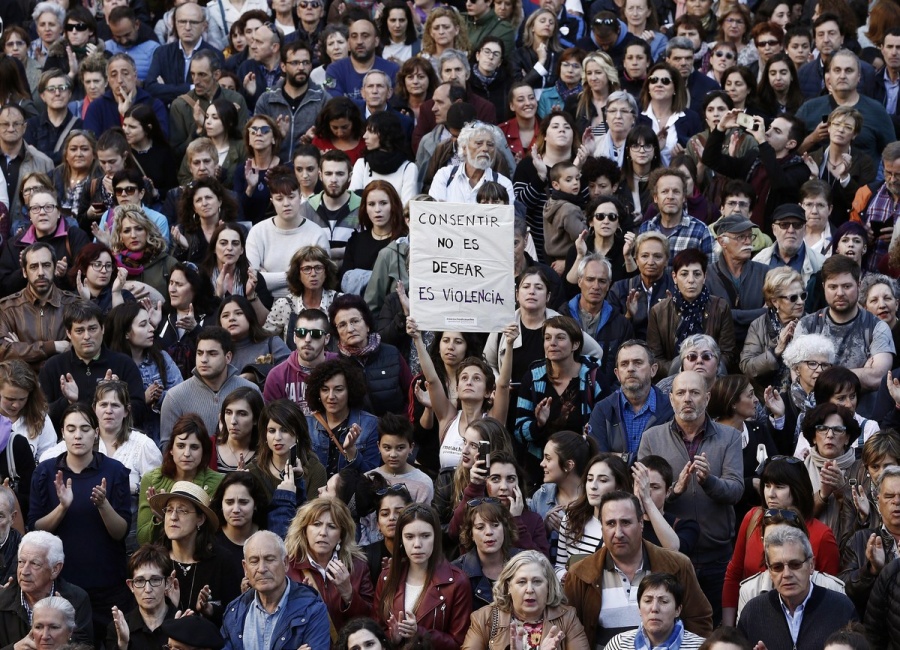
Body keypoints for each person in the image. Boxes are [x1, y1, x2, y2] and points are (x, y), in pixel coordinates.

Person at [637, 370, 743, 624]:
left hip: (716, 554)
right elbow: (642, 495)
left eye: (694, 393)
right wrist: (675, 491)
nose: (687, 399)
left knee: (714, 629)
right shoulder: (651, 438)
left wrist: (710, 482)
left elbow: (737, 490)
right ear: (671, 399)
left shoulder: (730, 437)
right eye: (681, 393)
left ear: (707, 399)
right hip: (668, 556)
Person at [29, 402, 131, 642]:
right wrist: (63, 507)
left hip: (107, 584)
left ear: (96, 432)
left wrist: (104, 505)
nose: (78, 435)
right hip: (61, 586)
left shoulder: (115, 471)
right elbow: (35, 529)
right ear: (62, 432)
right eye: (71, 428)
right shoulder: (45, 472)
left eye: (85, 428)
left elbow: (121, 532)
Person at [564, 491, 713, 648]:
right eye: (610, 524)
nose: (618, 533)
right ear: (602, 528)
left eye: (626, 523)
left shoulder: (677, 566)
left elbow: (699, 621)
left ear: (641, 523)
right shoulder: (580, 574)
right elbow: (569, 632)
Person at [41, 381, 160, 551]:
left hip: (130, 533)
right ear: (94, 408)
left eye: (115, 405)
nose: (108, 410)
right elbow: (46, 460)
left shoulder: (143, 445)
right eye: (103, 404)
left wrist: (134, 488)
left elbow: (156, 490)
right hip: (83, 530)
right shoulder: (81, 438)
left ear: (126, 410)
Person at [721, 456, 840, 626]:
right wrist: (729, 628)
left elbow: (828, 593)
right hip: (752, 620)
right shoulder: (753, 519)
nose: (771, 493)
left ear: (797, 489)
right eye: (767, 486)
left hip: (805, 624)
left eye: (779, 487)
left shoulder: (822, 536)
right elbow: (733, 575)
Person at [407, 317, 512, 471]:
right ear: (458, 386)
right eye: (464, 378)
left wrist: (509, 344)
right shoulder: (448, 418)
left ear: (488, 391)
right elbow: (433, 379)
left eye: (476, 378)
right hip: (446, 493)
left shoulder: (493, 420)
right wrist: (417, 339)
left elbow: (503, 385)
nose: (469, 382)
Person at [738, 526, 858, 647]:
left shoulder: (841, 608)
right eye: (777, 567)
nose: (786, 574)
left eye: (795, 565)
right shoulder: (753, 613)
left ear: (811, 565)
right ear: (769, 571)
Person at [373, 504, 471, 649]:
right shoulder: (387, 577)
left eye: (425, 536)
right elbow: (375, 631)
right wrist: (391, 638)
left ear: (436, 537)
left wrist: (419, 633)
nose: (417, 544)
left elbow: (459, 643)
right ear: (400, 539)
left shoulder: (457, 582)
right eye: (409, 537)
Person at [795, 255, 894, 398]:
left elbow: (878, 378)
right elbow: (797, 374)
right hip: (815, 413)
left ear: (859, 285)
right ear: (824, 287)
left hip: (863, 416)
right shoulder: (807, 325)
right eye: (833, 287)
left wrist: (819, 374)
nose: (840, 293)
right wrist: (860, 373)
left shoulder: (877, 327)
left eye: (847, 286)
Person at [37, 299, 146, 429]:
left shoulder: (124, 364)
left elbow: (140, 411)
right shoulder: (53, 367)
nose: (87, 336)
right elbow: (41, 415)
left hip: (115, 441)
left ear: (103, 328)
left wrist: (115, 397)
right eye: (79, 331)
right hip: (68, 443)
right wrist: (68, 402)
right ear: (68, 333)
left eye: (92, 328)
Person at [148, 480, 243, 623]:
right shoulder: (153, 559)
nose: (173, 517)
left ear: (200, 519)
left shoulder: (222, 560)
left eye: (182, 510)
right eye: (169, 509)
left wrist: (210, 610)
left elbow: (235, 613)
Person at [515, 315, 604, 463]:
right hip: (540, 467)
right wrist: (538, 424)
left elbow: (605, 429)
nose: (552, 343)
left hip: (582, 466)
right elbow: (519, 431)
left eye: (560, 338)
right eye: (547, 338)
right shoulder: (533, 377)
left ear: (575, 345)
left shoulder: (593, 378)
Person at [221, 530, 330, 649]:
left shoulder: (313, 609)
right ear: (245, 568)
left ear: (285, 563)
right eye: (254, 561)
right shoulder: (234, 612)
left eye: (269, 559)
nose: (261, 569)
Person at [461, 550, 587, 649]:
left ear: (549, 586)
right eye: (522, 582)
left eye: (537, 581)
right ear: (508, 586)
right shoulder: (483, 619)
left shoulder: (567, 618)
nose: (530, 589)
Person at [159, 327, 260, 449]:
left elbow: (261, 438)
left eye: (212, 354)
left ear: (228, 357)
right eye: (200, 353)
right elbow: (167, 448)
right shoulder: (175, 396)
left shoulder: (250, 390)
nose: (204, 360)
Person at [284, 497, 373, 631]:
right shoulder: (287, 566)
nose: (323, 533)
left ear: (341, 535)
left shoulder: (357, 566)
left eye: (332, 526)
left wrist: (348, 593)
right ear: (304, 530)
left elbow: (370, 620)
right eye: (316, 524)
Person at [646, 248, 736, 376]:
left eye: (697, 274)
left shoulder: (720, 307)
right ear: (674, 277)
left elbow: (728, 353)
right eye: (684, 274)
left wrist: (706, 368)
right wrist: (682, 369)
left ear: (705, 277)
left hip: (712, 378)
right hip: (673, 377)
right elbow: (655, 357)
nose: (691, 280)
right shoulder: (659, 311)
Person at [137, 415, 224, 544]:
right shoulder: (151, 480)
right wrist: (160, 519)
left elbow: (220, 535)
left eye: (194, 447)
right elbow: (142, 540)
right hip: (161, 558)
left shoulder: (219, 482)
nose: (187, 453)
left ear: (204, 451)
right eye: (181, 446)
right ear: (171, 449)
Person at [0, 531, 92, 648]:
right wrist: (14, 648)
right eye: (21, 562)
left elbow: (86, 646)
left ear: (55, 569)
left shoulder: (76, 599)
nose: (24, 571)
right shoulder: (2, 601)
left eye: (35, 564)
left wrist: (65, 626)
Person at [797, 49, 891, 164]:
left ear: (859, 77)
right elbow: (789, 152)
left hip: (864, 179)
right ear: (829, 77)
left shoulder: (876, 110)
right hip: (817, 178)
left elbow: (892, 153)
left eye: (849, 71)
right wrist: (813, 138)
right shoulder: (809, 108)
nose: (842, 76)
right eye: (837, 70)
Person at [587, 340, 673, 463]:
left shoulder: (670, 408)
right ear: (617, 374)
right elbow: (597, 459)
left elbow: (670, 458)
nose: (630, 369)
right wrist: (636, 459)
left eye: (638, 363)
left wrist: (621, 458)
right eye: (624, 364)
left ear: (653, 370)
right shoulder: (602, 410)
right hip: (614, 481)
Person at [329, 294, 410, 417]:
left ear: (367, 325)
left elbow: (412, 396)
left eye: (355, 321)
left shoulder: (391, 354)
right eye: (342, 325)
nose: (350, 329)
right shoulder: (335, 364)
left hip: (396, 431)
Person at [0, 187, 89, 299]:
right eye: (36, 208)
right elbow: (3, 287)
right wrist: (25, 271)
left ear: (58, 212)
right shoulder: (16, 243)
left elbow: (88, 278)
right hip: (26, 309)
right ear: (30, 215)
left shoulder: (75, 237)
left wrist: (64, 275)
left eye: (48, 207)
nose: (42, 212)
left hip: (66, 309)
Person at [554, 453, 631, 580]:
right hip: (574, 595)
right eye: (589, 479)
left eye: (603, 480)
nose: (593, 486)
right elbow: (559, 566)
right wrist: (565, 576)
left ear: (619, 487)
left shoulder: (626, 528)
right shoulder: (571, 519)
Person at [254, 42, 330, 164]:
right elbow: (255, 142)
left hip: (309, 170)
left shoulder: (323, 100)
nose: (301, 67)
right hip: (274, 170)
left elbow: (332, 142)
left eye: (306, 62)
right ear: (283, 66)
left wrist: (315, 141)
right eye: (295, 63)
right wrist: (278, 136)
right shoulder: (266, 100)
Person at [304, 359, 379, 479]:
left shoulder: (369, 424)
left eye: (338, 389)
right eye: (325, 390)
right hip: (316, 495)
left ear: (350, 391)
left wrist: (351, 451)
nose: (331, 396)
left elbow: (371, 477)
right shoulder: (307, 423)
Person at [168, 52, 249, 162]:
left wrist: (227, 119)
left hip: (230, 168)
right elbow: (176, 154)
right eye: (193, 74)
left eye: (202, 75)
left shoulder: (236, 100)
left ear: (216, 74)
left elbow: (244, 145)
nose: (195, 81)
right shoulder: (180, 105)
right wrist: (198, 132)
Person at [706, 214, 769, 346]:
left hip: (757, 348)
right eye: (741, 237)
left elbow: (771, 314)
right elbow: (711, 318)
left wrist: (728, 315)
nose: (748, 241)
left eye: (750, 236)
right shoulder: (707, 275)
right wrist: (759, 313)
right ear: (722, 241)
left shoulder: (765, 273)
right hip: (719, 349)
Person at [602, 572, 707, 650]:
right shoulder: (619, 644)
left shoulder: (700, 647)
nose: (654, 608)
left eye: (664, 601)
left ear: (678, 610)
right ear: (639, 608)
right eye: (648, 601)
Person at [249, 397, 325, 501]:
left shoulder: (315, 470)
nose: (277, 437)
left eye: (284, 430)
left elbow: (313, 515)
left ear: (298, 433)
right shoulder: (253, 471)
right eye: (271, 431)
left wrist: (298, 483)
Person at [451, 499, 522, 610]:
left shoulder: (523, 563)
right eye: (480, 527)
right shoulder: (456, 572)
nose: (489, 532)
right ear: (471, 534)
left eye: (495, 525)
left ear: (504, 528)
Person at [143, 2, 219, 106]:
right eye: (182, 22)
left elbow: (212, 92)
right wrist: (190, 88)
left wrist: (166, 88)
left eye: (194, 22)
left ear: (204, 26)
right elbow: (150, 88)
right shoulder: (162, 53)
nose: (187, 27)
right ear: (175, 23)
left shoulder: (215, 55)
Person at [199, 222, 272, 325]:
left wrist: (251, 296)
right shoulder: (201, 277)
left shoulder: (252, 277)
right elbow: (201, 321)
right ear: (214, 248)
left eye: (235, 243)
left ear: (242, 250)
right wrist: (218, 296)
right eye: (223, 243)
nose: (229, 248)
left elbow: (264, 323)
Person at [263, 308, 336, 412]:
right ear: (294, 337)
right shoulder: (277, 376)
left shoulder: (340, 367)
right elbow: (272, 420)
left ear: (327, 338)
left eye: (316, 334)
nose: (307, 339)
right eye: (301, 332)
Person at [107, 544, 176, 650]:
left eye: (155, 580)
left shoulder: (184, 623)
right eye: (140, 581)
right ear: (131, 586)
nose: (147, 589)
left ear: (168, 583)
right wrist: (122, 645)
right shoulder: (117, 629)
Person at [607, 231, 674, 340]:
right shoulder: (620, 288)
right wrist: (629, 315)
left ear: (666, 260)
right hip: (629, 349)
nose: (650, 262)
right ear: (636, 259)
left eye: (657, 256)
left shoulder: (676, 288)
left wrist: (673, 315)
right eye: (644, 256)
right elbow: (611, 331)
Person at [430, 120, 515, 203]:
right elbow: (436, 212)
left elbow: (506, 216)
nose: (485, 149)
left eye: (490, 144)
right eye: (479, 143)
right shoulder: (445, 176)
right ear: (464, 148)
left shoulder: (503, 184)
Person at [84, 54, 167, 138]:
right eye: (113, 75)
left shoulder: (154, 105)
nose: (120, 80)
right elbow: (91, 143)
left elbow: (161, 142)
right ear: (108, 79)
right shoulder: (96, 107)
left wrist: (128, 116)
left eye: (125, 73)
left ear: (135, 75)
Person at [638, 168, 713, 260]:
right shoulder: (646, 229)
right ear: (656, 198)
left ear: (684, 197)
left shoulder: (701, 231)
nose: (670, 197)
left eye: (676, 191)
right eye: (664, 191)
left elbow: (711, 271)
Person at [0, 104, 53, 223]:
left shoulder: (44, 163)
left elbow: (51, 202)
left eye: (16, 124)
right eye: (5, 124)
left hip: (28, 234)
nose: (10, 128)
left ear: (24, 127)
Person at [852, 142, 900, 273]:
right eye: (888, 173)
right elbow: (849, 232)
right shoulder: (867, 193)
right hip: (867, 274)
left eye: (898, 175)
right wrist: (862, 235)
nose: (892, 179)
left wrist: (897, 241)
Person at [325, 17, 400, 101]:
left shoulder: (393, 70)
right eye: (354, 36)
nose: (359, 41)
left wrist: (348, 102)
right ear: (349, 43)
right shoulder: (333, 70)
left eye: (365, 36)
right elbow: (336, 104)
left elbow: (393, 107)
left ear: (376, 41)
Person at [0, 360, 57, 463]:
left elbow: (49, 459)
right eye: (10, 399)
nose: (16, 405)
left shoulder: (40, 416)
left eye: (22, 399)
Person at [24, 70, 82, 168]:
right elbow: (28, 157)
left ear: (69, 93)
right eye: (51, 89)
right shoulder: (31, 125)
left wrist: (40, 155)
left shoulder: (80, 126)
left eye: (62, 88)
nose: (57, 93)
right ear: (42, 96)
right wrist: (62, 155)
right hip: (39, 181)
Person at [213, 387, 263, 473]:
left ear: (255, 419)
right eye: (228, 412)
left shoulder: (265, 454)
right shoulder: (209, 447)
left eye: (242, 414)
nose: (233, 421)